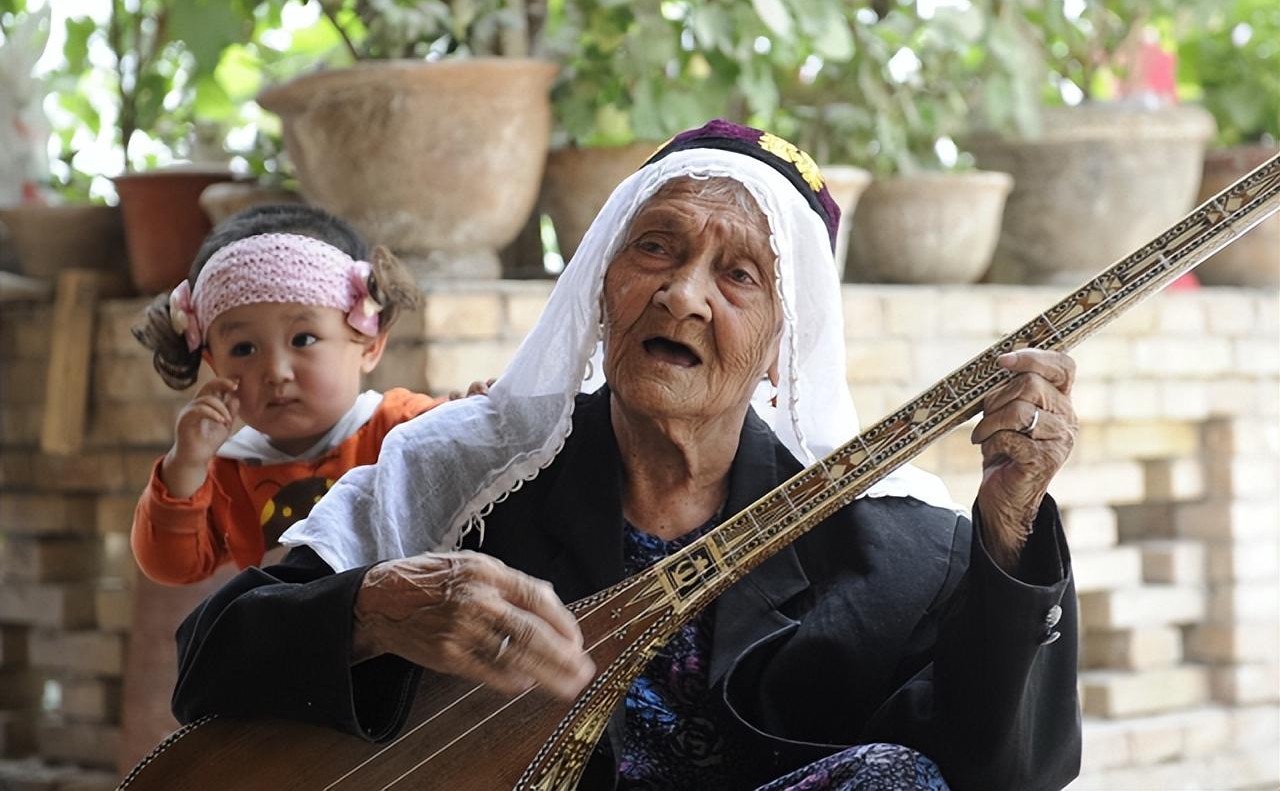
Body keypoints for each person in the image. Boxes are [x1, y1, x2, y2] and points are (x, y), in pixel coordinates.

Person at [170, 122, 1081, 791]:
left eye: (738, 276)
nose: (681, 295)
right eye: (656, 248)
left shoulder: (895, 544)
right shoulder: (455, 476)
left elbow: (1003, 772)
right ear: (603, 284)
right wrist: (378, 610)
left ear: (781, 345)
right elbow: (209, 659)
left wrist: (1009, 530)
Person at [129, 203, 476, 585]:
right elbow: (172, 566)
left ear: (368, 345)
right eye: (244, 349)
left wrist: (478, 416)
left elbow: (483, 477)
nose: (276, 372)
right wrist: (184, 467)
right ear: (214, 364)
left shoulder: (404, 428)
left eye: (303, 339)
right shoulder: (226, 473)